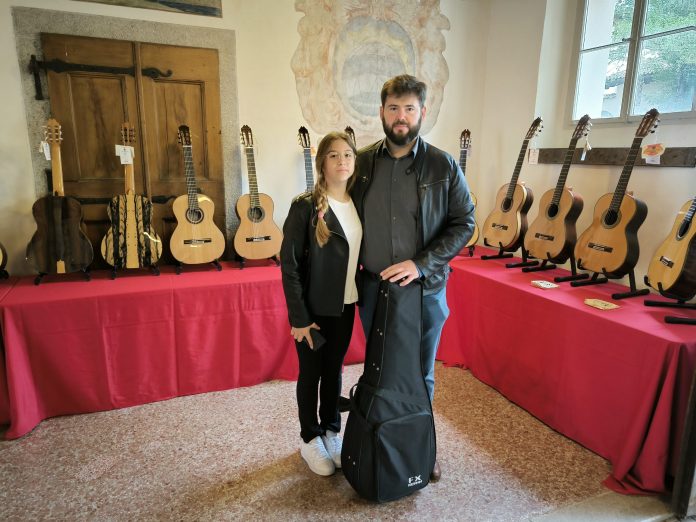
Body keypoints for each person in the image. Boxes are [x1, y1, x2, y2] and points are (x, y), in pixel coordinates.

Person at [352, 74, 476, 481]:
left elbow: (464, 222)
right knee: (380, 368)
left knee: (420, 372)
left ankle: (422, 447)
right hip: (374, 289)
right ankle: (378, 438)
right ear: (381, 111)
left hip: (424, 290)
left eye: (409, 108)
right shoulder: (362, 164)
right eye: (393, 108)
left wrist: (421, 264)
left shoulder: (443, 165)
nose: (401, 117)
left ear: (423, 112)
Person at [280, 131, 362, 476]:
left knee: (334, 372)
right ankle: (310, 438)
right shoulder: (305, 206)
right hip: (312, 311)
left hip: (346, 305)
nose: (342, 161)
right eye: (333, 155)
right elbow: (290, 265)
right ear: (322, 163)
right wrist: (299, 318)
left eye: (348, 155)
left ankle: (331, 430)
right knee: (311, 374)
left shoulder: (359, 202)